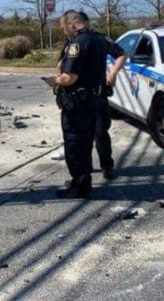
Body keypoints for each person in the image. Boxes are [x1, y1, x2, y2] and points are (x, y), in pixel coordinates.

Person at [44, 10, 106, 198]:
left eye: (64, 28)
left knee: (74, 143)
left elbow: (70, 77)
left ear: (72, 24)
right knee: (86, 142)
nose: (65, 32)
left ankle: (79, 185)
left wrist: (54, 81)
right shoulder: (99, 39)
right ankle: (83, 180)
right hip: (93, 99)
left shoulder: (77, 44)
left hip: (77, 103)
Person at [94, 32, 127, 179]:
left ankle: (107, 166)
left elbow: (121, 54)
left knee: (100, 132)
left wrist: (113, 73)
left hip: (97, 94)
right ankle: (84, 166)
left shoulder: (99, 39)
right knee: (82, 134)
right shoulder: (70, 40)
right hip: (78, 97)